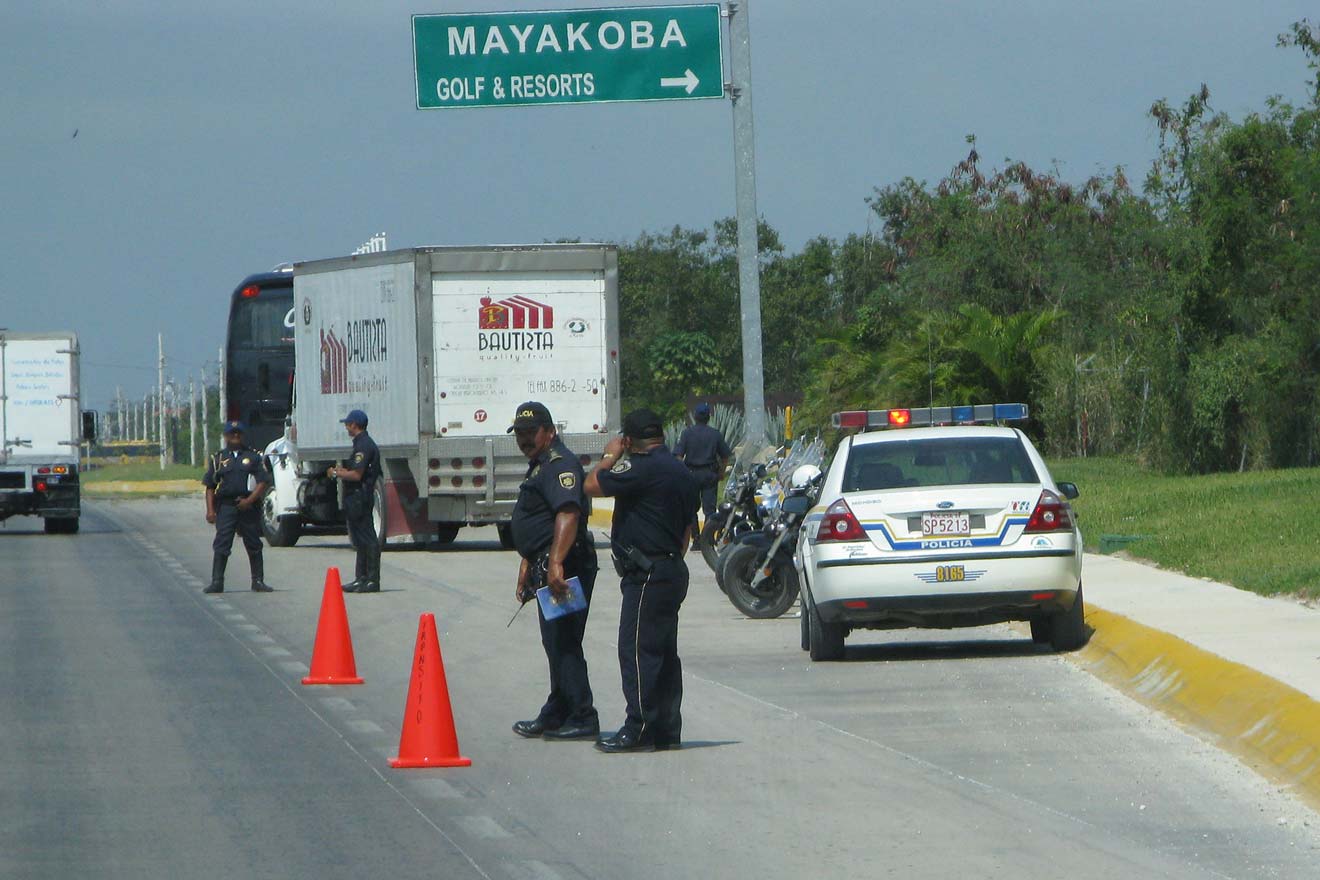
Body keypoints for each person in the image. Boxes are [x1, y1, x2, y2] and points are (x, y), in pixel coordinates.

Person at [585, 407, 699, 753]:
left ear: (630, 440)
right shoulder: (681, 471)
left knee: (636, 651)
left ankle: (639, 727)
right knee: (663, 653)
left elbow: (591, 485)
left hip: (647, 574)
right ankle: (666, 728)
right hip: (671, 570)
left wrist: (609, 455)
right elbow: (685, 531)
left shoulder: (639, 467)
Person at [507, 402, 601, 741]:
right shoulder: (541, 465)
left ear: (549, 432)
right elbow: (542, 523)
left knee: (564, 641)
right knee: (555, 641)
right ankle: (558, 709)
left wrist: (557, 562)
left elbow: (567, 513)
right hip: (548, 563)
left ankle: (582, 715)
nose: (525, 440)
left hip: (567, 565)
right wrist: (528, 563)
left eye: (531, 433)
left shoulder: (560, 465)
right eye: (519, 434)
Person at [202, 420, 273, 593]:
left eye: (238, 433)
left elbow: (263, 482)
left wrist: (249, 501)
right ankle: (217, 581)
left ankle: (258, 581)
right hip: (226, 506)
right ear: (225, 436)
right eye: (232, 433)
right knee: (222, 543)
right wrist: (210, 510)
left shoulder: (254, 457)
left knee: (254, 543)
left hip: (247, 506)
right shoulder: (218, 458)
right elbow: (210, 486)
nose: (235, 436)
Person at [326, 409, 382, 593]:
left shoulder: (364, 445)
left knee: (367, 538)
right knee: (359, 539)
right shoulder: (359, 443)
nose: (346, 427)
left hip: (360, 496)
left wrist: (336, 473)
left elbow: (357, 474)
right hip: (355, 497)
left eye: (347, 424)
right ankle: (361, 578)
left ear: (354, 425)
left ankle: (372, 579)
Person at [674, 402, 732, 547]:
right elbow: (725, 456)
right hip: (709, 474)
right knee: (710, 509)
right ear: (708, 417)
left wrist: (682, 473)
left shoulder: (687, 433)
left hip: (691, 474)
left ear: (695, 417)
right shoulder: (715, 434)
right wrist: (721, 472)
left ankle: (697, 538)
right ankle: (707, 539)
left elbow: (679, 455)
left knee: (691, 508)